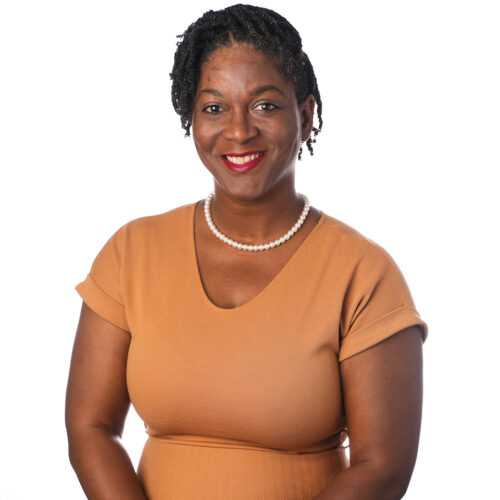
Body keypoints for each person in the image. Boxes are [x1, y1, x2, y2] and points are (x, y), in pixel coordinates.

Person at [65, 4, 428, 499]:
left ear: (304, 114)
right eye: (213, 107)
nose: (238, 131)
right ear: (191, 119)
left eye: (265, 105)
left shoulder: (363, 274)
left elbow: (381, 466)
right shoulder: (132, 253)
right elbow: (90, 427)